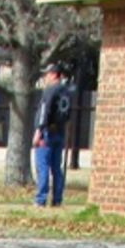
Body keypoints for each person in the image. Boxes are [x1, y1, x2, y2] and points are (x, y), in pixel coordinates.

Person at [33, 63, 76, 208]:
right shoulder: (67, 92)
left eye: (47, 74)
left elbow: (44, 112)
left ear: (53, 75)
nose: (45, 77)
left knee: (43, 165)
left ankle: (41, 199)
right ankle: (57, 199)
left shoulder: (50, 91)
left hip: (47, 133)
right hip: (60, 132)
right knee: (56, 168)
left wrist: (39, 131)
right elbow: (68, 114)